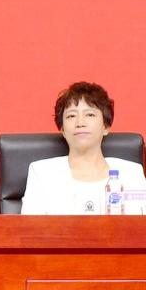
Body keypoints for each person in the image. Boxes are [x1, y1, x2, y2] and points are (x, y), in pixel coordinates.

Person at [21, 81, 146, 215]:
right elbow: (30, 227)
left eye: (90, 114)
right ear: (62, 129)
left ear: (105, 126)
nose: (80, 123)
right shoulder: (42, 173)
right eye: (71, 116)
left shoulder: (132, 173)